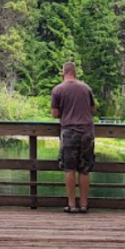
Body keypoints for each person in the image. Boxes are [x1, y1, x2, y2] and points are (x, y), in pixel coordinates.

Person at [51, 61, 96, 213]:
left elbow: (55, 114)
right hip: (87, 131)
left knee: (69, 168)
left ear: (63, 73)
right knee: (84, 169)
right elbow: (92, 110)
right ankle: (84, 205)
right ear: (75, 73)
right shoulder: (86, 88)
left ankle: (72, 205)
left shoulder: (57, 90)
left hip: (69, 131)